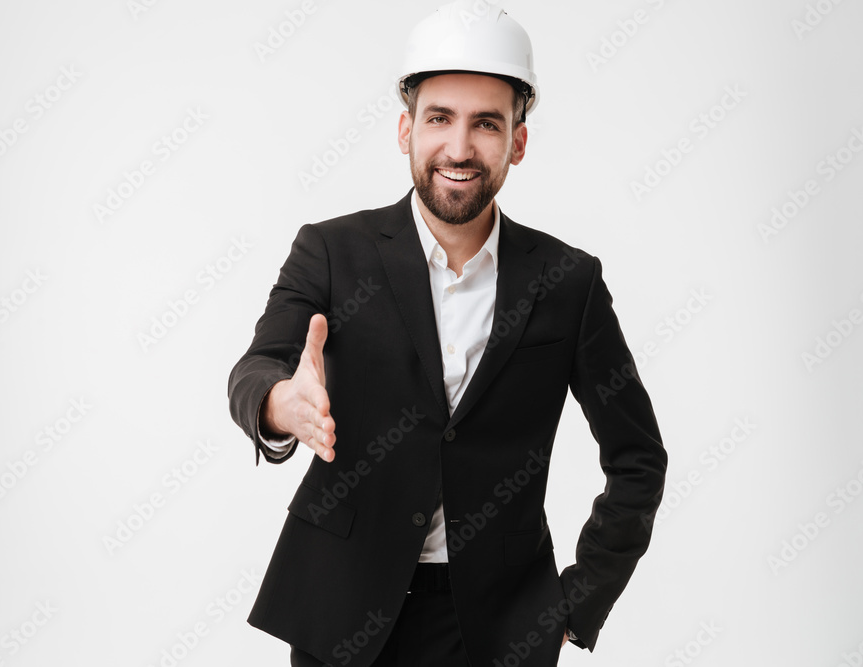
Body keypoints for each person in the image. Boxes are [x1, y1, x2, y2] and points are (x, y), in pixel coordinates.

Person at [227, 3, 667, 665]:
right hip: (344, 604)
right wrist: (278, 404)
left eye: (486, 123)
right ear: (406, 129)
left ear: (518, 139)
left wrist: (579, 603)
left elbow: (638, 458)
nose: (459, 147)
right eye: (439, 118)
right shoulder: (331, 251)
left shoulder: (567, 281)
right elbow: (258, 366)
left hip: (496, 624)